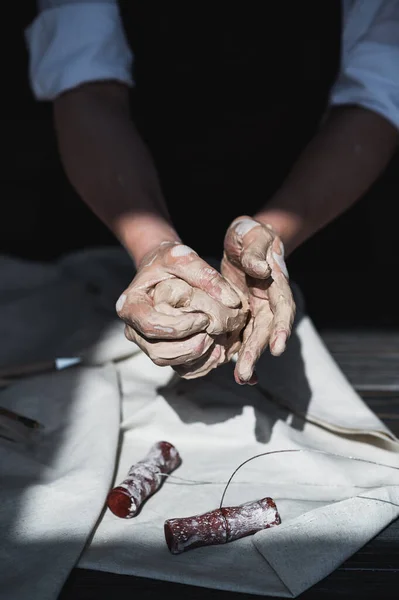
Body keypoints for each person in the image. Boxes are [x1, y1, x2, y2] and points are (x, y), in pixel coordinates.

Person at [26, 0, 399, 384]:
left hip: (314, 202)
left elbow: (375, 98)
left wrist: (272, 234)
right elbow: (86, 87)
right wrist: (152, 246)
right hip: (116, 196)